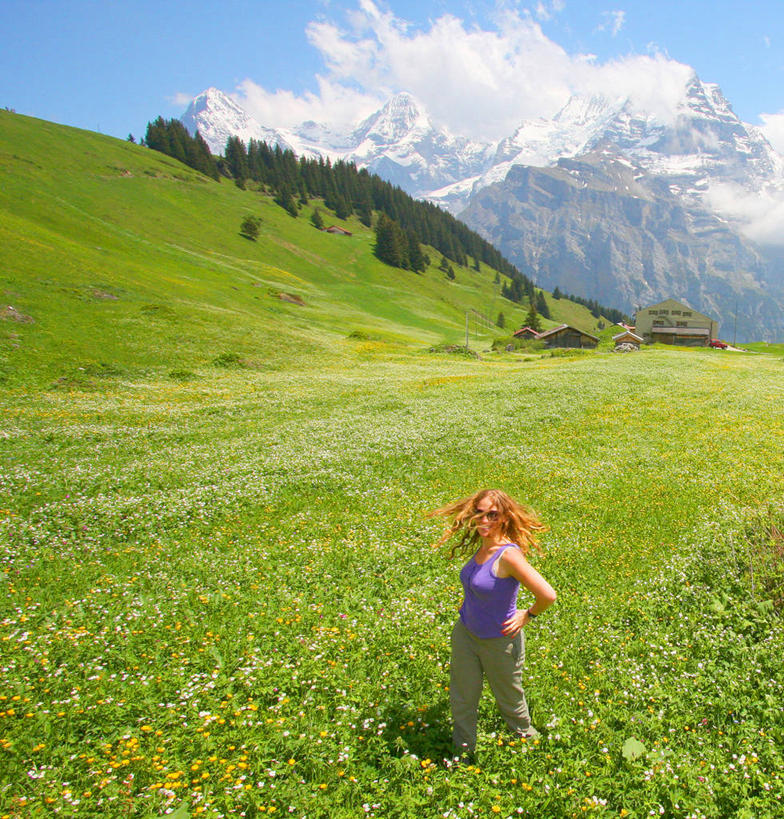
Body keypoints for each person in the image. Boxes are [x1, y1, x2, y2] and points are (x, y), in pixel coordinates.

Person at [430, 488, 556, 759]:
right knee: (462, 698)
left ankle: (528, 746)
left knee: (509, 700)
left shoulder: (508, 555)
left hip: (499, 642)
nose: (484, 520)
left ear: (504, 518)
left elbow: (547, 594)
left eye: (492, 515)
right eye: (479, 513)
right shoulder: (483, 547)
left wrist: (527, 615)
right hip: (466, 635)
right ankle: (463, 755)